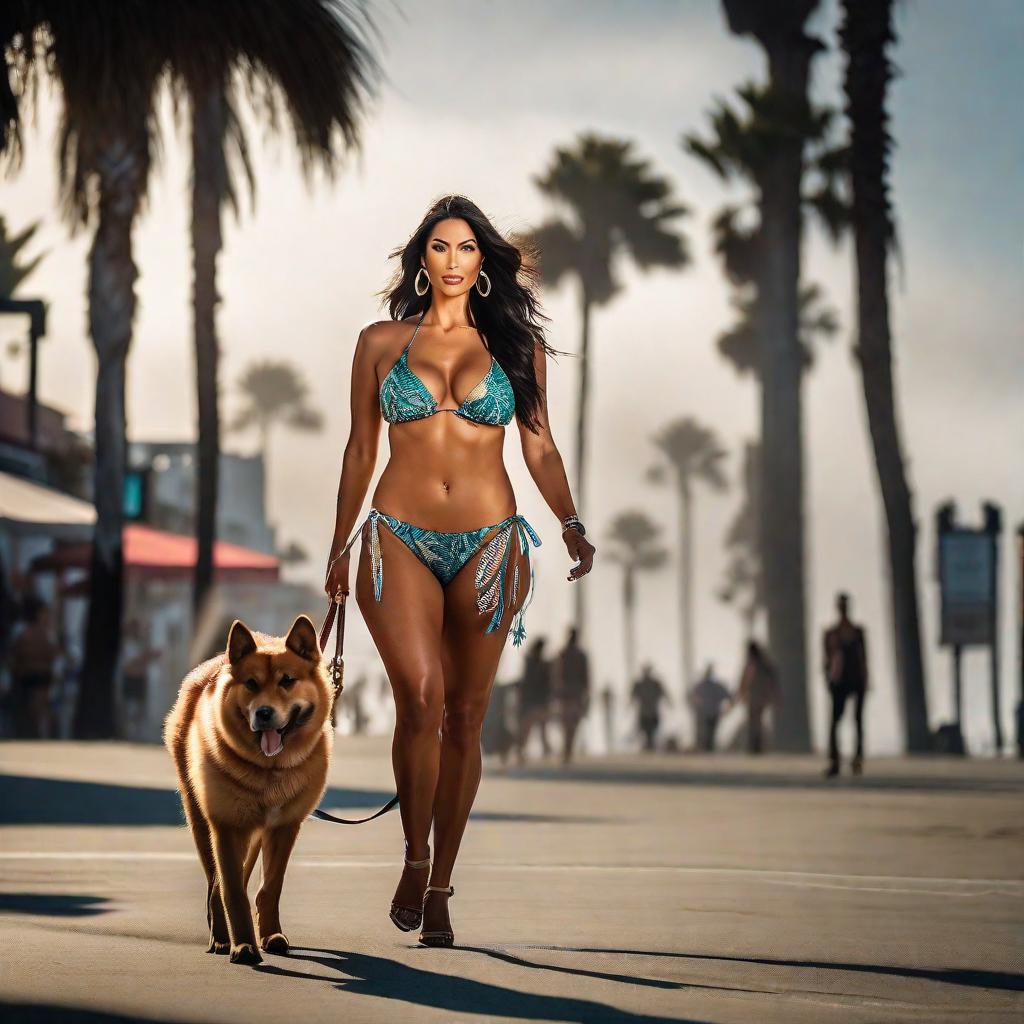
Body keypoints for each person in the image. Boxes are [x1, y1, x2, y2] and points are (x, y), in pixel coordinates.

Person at [322, 195, 596, 948]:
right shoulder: (380, 343)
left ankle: (441, 884)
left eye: (465, 248)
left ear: (483, 266)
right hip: (397, 536)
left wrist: (570, 523)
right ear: (422, 261)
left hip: (489, 542)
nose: (451, 260)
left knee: (465, 717)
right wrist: (340, 542)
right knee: (419, 695)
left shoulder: (516, 350)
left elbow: (538, 446)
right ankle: (414, 857)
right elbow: (358, 449)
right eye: (438, 248)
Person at [822, 592, 869, 777]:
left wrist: (865, 679)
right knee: (835, 722)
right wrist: (828, 678)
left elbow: (863, 658)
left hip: (856, 679)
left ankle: (857, 759)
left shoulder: (857, 633)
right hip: (839, 681)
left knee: (857, 721)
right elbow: (826, 659)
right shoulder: (831, 634)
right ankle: (835, 760)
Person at [7, 595, 59, 739]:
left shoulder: (48, 633)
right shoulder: (21, 632)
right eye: (44, 613)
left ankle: (42, 736)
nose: (47, 616)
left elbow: (53, 655)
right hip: (24, 677)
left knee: (41, 709)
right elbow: (15, 655)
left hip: (43, 677)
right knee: (28, 712)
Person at [552, 626, 590, 764]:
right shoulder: (577, 655)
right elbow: (585, 678)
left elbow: (557, 675)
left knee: (569, 725)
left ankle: (567, 751)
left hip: (569, 695)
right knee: (569, 726)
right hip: (571, 695)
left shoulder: (565, 654)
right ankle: (567, 751)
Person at [736, 641, 781, 754]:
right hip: (761, 697)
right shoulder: (766, 664)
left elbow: (745, 680)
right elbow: (773, 682)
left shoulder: (753, 664)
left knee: (754, 722)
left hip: (754, 696)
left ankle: (754, 746)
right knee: (757, 722)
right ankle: (757, 746)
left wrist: (742, 693)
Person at [516, 637, 553, 763]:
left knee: (539, 729)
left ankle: (543, 754)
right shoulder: (532, 663)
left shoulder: (542, 664)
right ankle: (521, 753)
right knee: (528, 729)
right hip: (532, 701)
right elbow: (526, 682)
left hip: (538, 701)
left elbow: (547, 684)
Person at [687, 662, 733, 752]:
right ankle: (707, 750)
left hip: (708, 714)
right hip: (708, 714)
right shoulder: (711, 686)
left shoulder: (702, 686)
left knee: (707, 734)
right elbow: (729, 697)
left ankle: (707, 750)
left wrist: (728, 709)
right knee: (708, 734)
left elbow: (691, 697)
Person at [630, 663, 668, 752]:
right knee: (647, 731)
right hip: (646, 712)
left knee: (651, 731)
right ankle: (649, 745)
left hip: (651, 711)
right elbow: (633, 695)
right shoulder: (640, 684)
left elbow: (663, 693)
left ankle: (650, 745)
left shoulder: (654, 683)